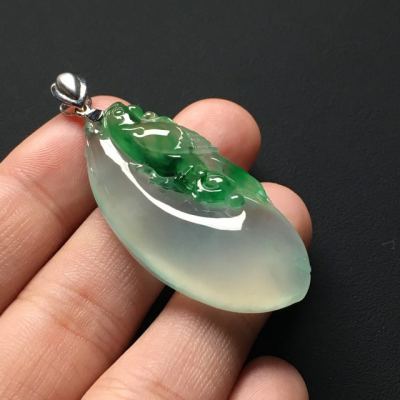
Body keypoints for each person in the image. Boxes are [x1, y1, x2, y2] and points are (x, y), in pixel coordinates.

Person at [0, 97, 312, 399]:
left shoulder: (174, 161)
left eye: (146, 118)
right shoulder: (120, 154)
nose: (143, 118)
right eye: (145, 119)